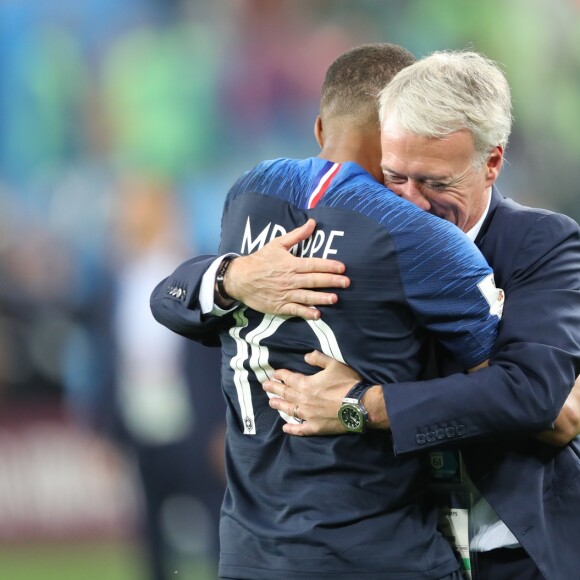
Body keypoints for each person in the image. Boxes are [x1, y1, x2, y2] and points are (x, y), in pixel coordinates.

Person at [153, 49, 580, 580]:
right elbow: (170, 297)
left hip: (505, 548)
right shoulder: (359, 232)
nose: (413, 202)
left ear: (491, 163)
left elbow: (554, 412)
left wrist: (362, 404)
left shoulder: (539, 241)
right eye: (396, 176)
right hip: (393, 543)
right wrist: (231, 277)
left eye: (437, 183)